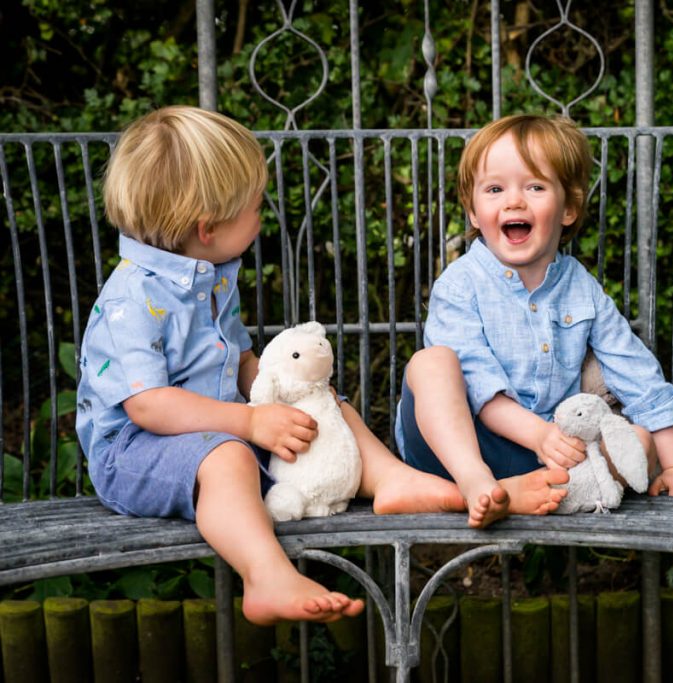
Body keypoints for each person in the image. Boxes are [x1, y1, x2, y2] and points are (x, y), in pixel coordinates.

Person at [76, 106, 465, 626]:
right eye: (255, 207)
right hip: (132, 453)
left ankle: (389, 478)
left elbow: (241, 361)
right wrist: (250, 422)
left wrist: (280, 394)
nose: (263, 215)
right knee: (229, 458)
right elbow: (148, 405)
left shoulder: (210, 277)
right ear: (208, 227)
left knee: (318, 403)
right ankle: (265, 576)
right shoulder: (132, 298)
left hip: (217, 432)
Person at [397, 114, 673, 529]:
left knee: (639, 443)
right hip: (455, 448)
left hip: (545, 454)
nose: (514, 201)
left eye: (535, 187)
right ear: (473, 212)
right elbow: (477, 382)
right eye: (495, 189)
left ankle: (535, 491)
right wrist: (538, 437)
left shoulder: (581, 288)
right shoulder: (460, 285)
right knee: (431, 363)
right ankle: (478, 485)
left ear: (568, 209)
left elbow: (635, 371)